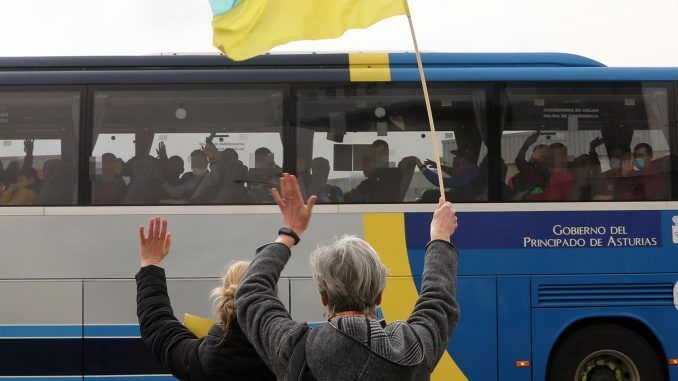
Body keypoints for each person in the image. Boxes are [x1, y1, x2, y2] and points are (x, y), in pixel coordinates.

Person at [236, 174, 460, 381]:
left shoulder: (297, 348)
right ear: (379, 296)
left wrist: (289, 233)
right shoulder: (411, 349)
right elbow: (438, 300)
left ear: (324, 297)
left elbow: (251, 292)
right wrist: (440, 236)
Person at [135, 217, 276, 381]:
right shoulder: (290, 352)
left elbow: (158, 325)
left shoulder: (209, 357)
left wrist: (150, 264)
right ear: (270, 296)